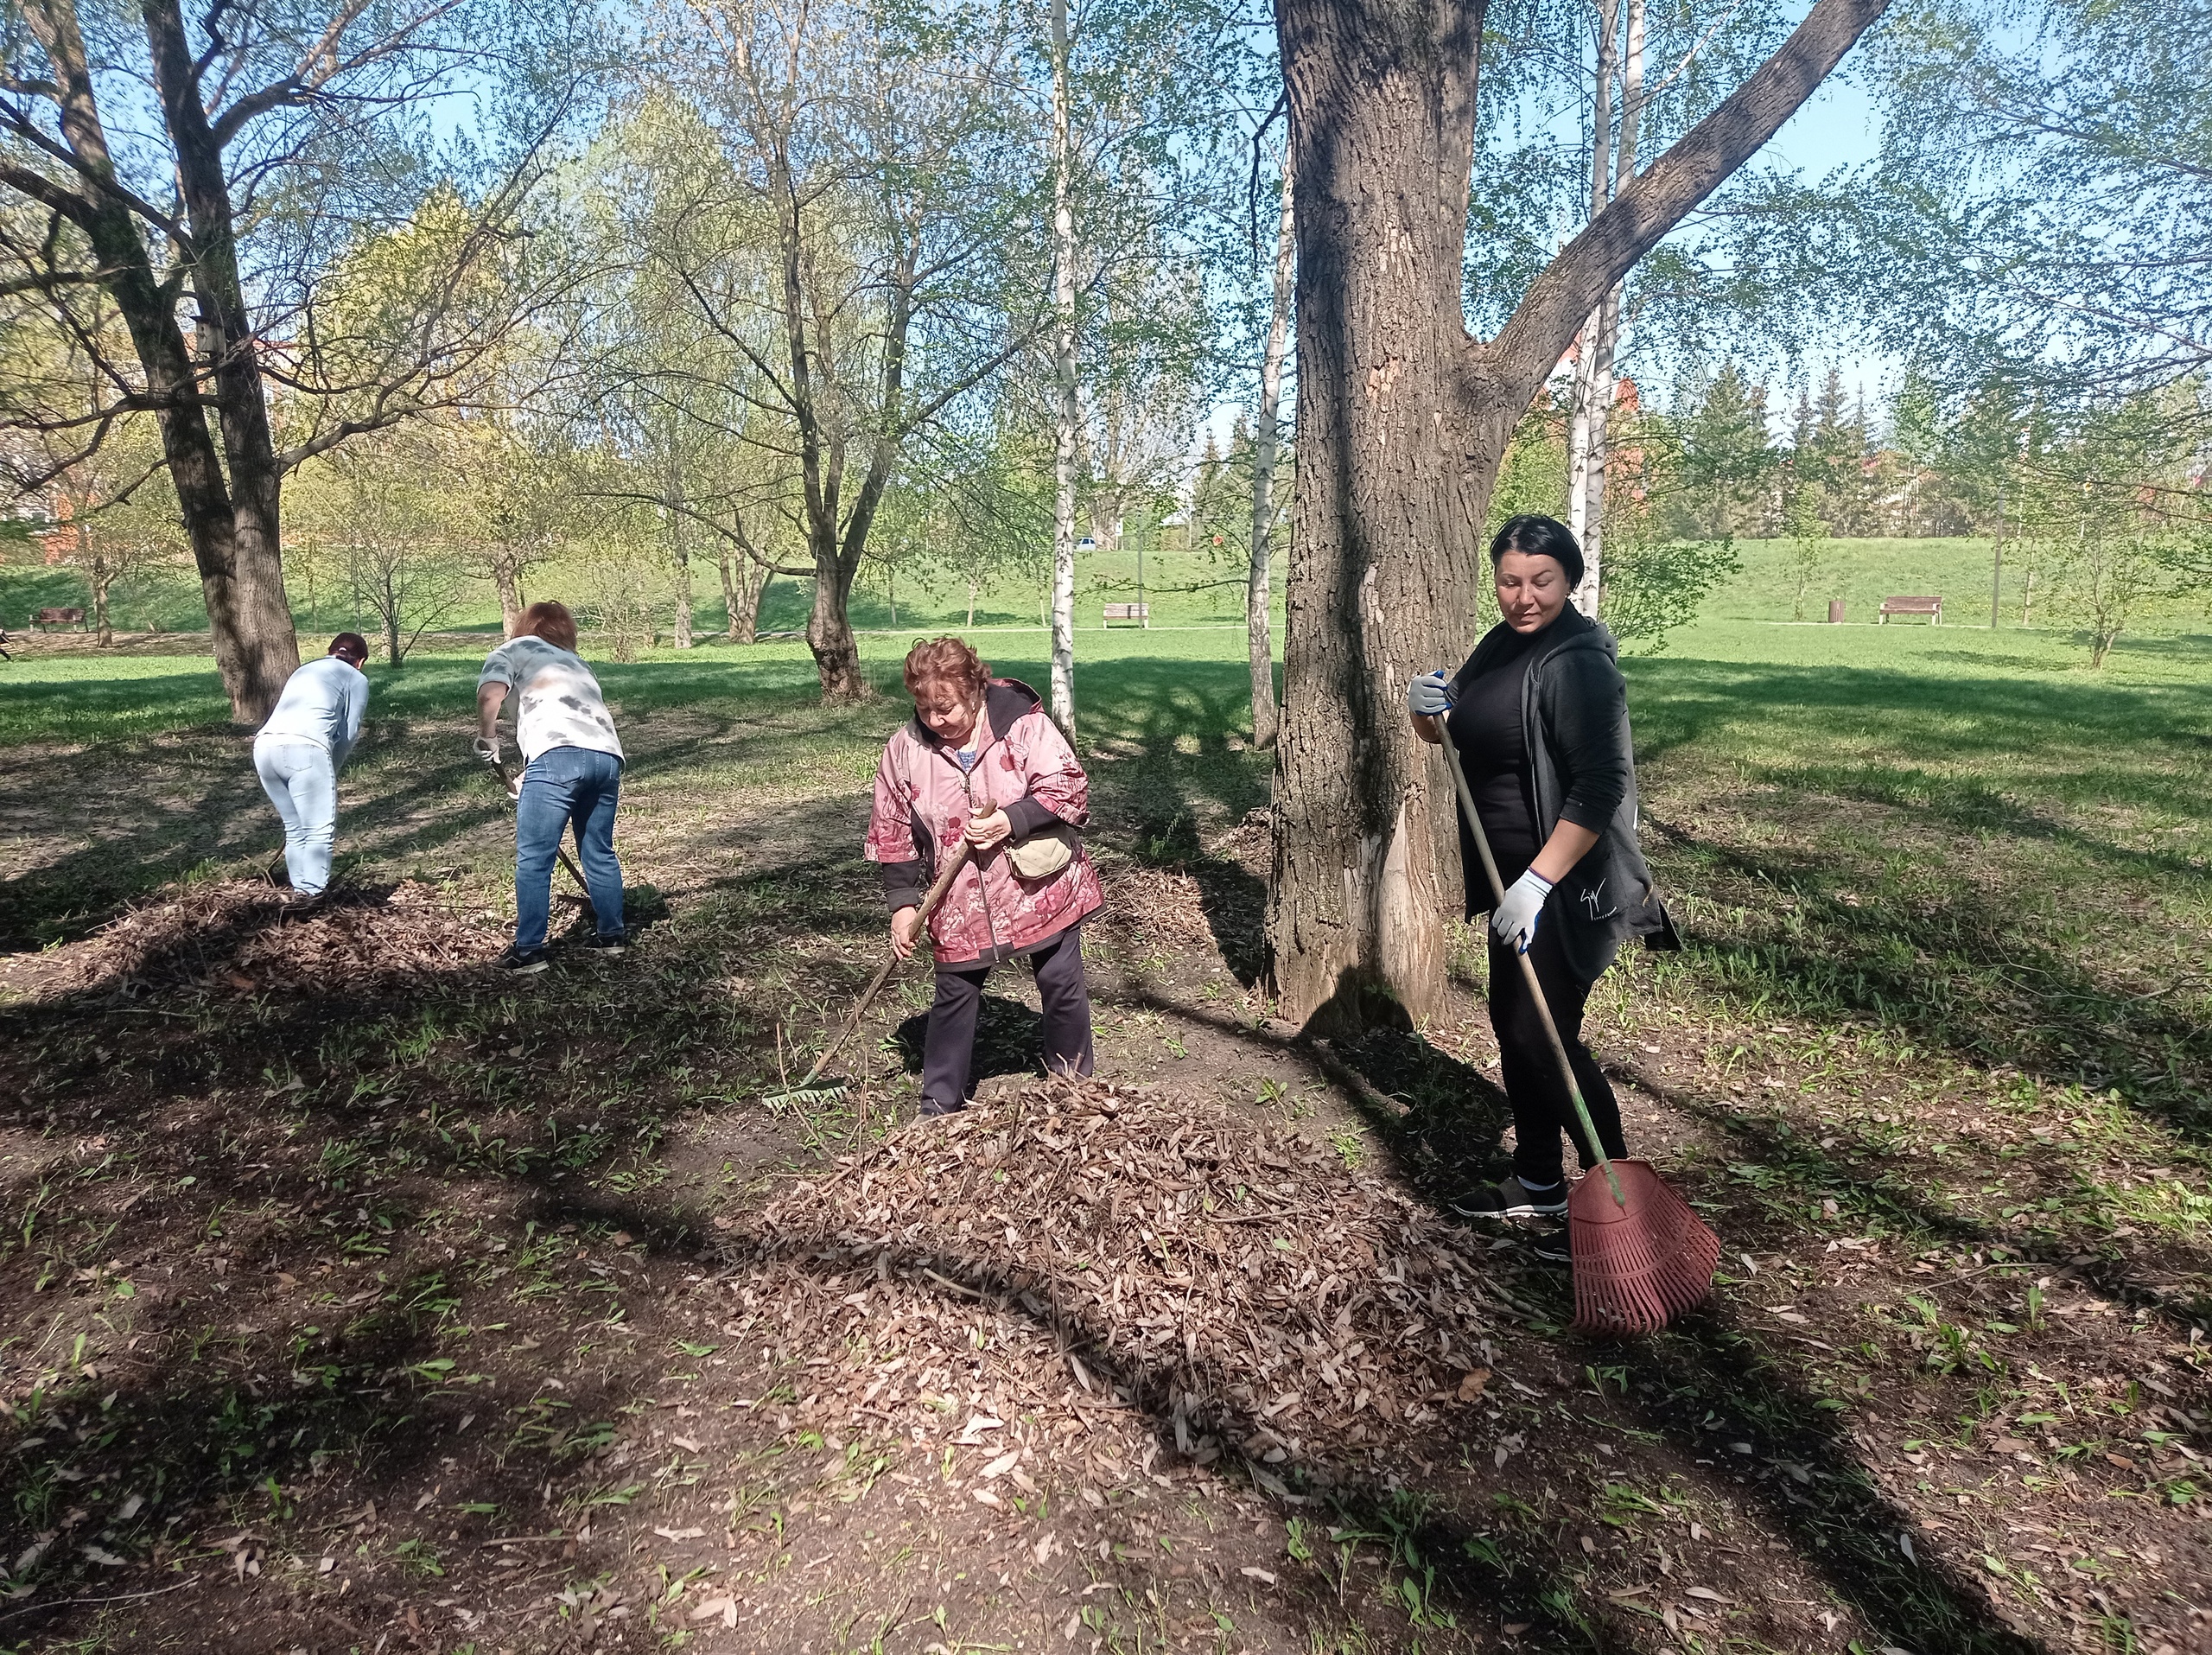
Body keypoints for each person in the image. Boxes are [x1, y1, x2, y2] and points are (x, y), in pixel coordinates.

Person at [1408, 514, 1676, 1220]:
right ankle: (1537, 1180)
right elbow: (1452, 725)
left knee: (1542, 1034)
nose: (1524, 596)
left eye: (1542, 580)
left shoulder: (1578, 661)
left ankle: (1618, 1197)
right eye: (1509, 580)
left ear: (1569, 579)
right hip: (1509, 880)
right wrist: (1425, 709)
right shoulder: (1499, 645)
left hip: (1563, 883)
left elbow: (1600, 787)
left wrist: (1537, 881)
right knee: (1514, 1023)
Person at [864, 637, 1103, 1116]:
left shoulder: (1022, 725)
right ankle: (939, 1105)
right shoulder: (904, 750)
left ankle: (1074, 1085)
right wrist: (903, 905)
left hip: (1037, 886)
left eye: (946, 708)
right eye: (924, 708)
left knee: (1060, 982)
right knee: (954, 994)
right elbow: (891, 830)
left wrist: (1010, 820)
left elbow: (1069, 788)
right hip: (958, 901)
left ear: (974, 691)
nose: (935, 721)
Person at [474, 601, 627, 973]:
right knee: (598, 850)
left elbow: (490, 694)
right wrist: (530, 778)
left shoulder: (512, 650)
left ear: (524, 625)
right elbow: (573, 723)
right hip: (606, 759)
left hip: (556, 757)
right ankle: (612, 936)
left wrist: (487, 737)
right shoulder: (578, 663)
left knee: (535, 857)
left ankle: (529, 951)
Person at [253, 632, 372, 907]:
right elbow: (349, 731)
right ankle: (314, 898)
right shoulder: (356, 678)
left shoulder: (304, 670)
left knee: (295, 828)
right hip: (306, 749)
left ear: (330, 652)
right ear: (360, 661)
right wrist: (333, 766)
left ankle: (299, 896)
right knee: (319, 830)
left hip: (265, 747)